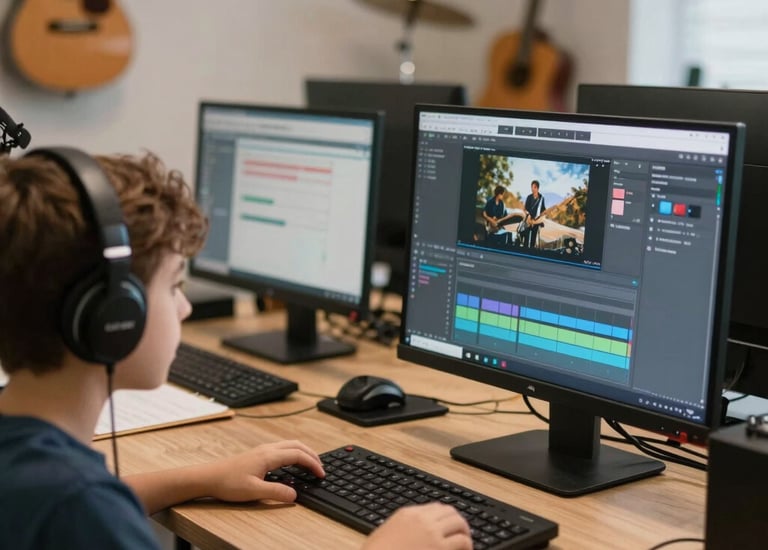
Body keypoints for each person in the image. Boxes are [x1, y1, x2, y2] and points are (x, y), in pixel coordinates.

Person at [0, 150, 472, 550]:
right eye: (174, 286)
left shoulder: (40, 472)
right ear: (112, 316)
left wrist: (202, 478)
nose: (185, 307)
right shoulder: (80, 510)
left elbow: (77, 502)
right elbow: (82, 509)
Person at [522, 180, 546, 249]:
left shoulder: (541, 198)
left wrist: (541, 220)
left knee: (533, 239)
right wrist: (528, 215)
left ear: (537, 188)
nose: (532, 189)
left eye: (534, 187)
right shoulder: (529, 197)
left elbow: (543, 210)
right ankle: (525, 250)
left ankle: (531, 250)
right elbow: (525, 209)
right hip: (528, 220)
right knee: (526, 239)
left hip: (536, 221)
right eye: (531, 187)